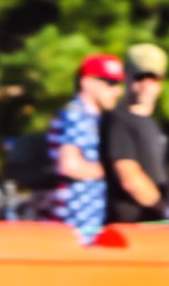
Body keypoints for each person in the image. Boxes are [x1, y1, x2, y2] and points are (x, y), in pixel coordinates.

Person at [44, 53, 125, 240]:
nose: (117, 91)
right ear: (87, 82)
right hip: (74, 220)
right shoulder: (75, 115)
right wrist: (115, 171)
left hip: (91, 218)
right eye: (110, 83)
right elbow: (69, 166)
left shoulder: (94, 118)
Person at [102, 43, 169, 224]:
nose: (146, 85)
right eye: (139, 77)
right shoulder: (119, 120)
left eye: (153, 78)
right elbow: (130, 177)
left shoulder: (151, 123)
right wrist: (164, 210)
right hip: (132, 226)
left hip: (153, 223)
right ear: (126, 78)